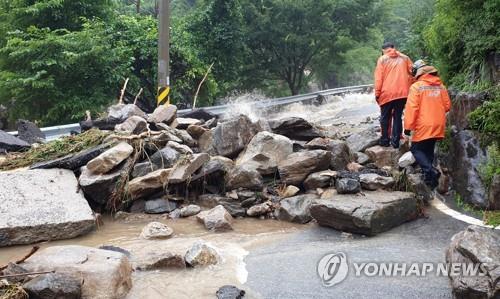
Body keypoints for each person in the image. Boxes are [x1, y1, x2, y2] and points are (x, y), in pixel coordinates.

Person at [404, 60, 451, 188]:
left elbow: (412, 108)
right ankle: (430, 181)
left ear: (418, 72)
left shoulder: (417, 87)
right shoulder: (441, 86)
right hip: (438, 123)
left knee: (416, 149)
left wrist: (407, 128)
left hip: (424, 124)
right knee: (428, 149)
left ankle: (431, 171)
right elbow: (447, 106)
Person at [374, 42, 413, 148]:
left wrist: (377, 93)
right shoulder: (405, 58)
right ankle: (396, 141)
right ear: (394, 48)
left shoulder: (382, 59)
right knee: (397, 116)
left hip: (387, 93)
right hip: (403, 93)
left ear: (383, 50)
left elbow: (379, 78)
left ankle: (385, 140)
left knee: (385, 117)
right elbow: (413, 73)